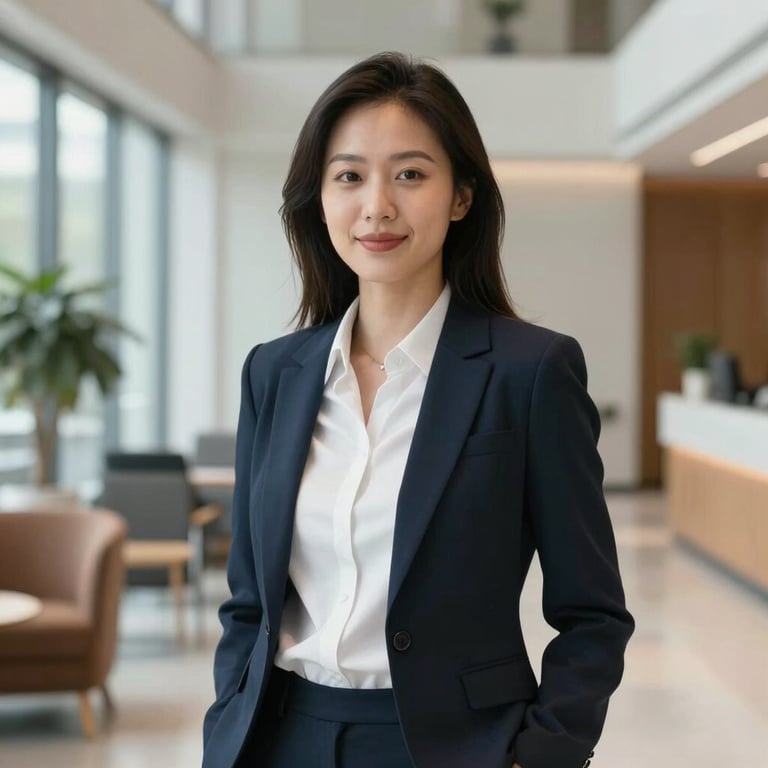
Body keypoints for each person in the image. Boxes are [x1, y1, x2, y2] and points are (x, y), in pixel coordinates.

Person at [202, 52, 634, 768]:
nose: (377, 206)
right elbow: (248, 600)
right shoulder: (273, 374)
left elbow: (593, 614)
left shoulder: (530, 373)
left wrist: (542, 754)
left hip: (452, 747)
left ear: (461, 196)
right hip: (282, 737)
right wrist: (227, 723)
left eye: (410, 174)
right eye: (349, 176)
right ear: (320, 196)